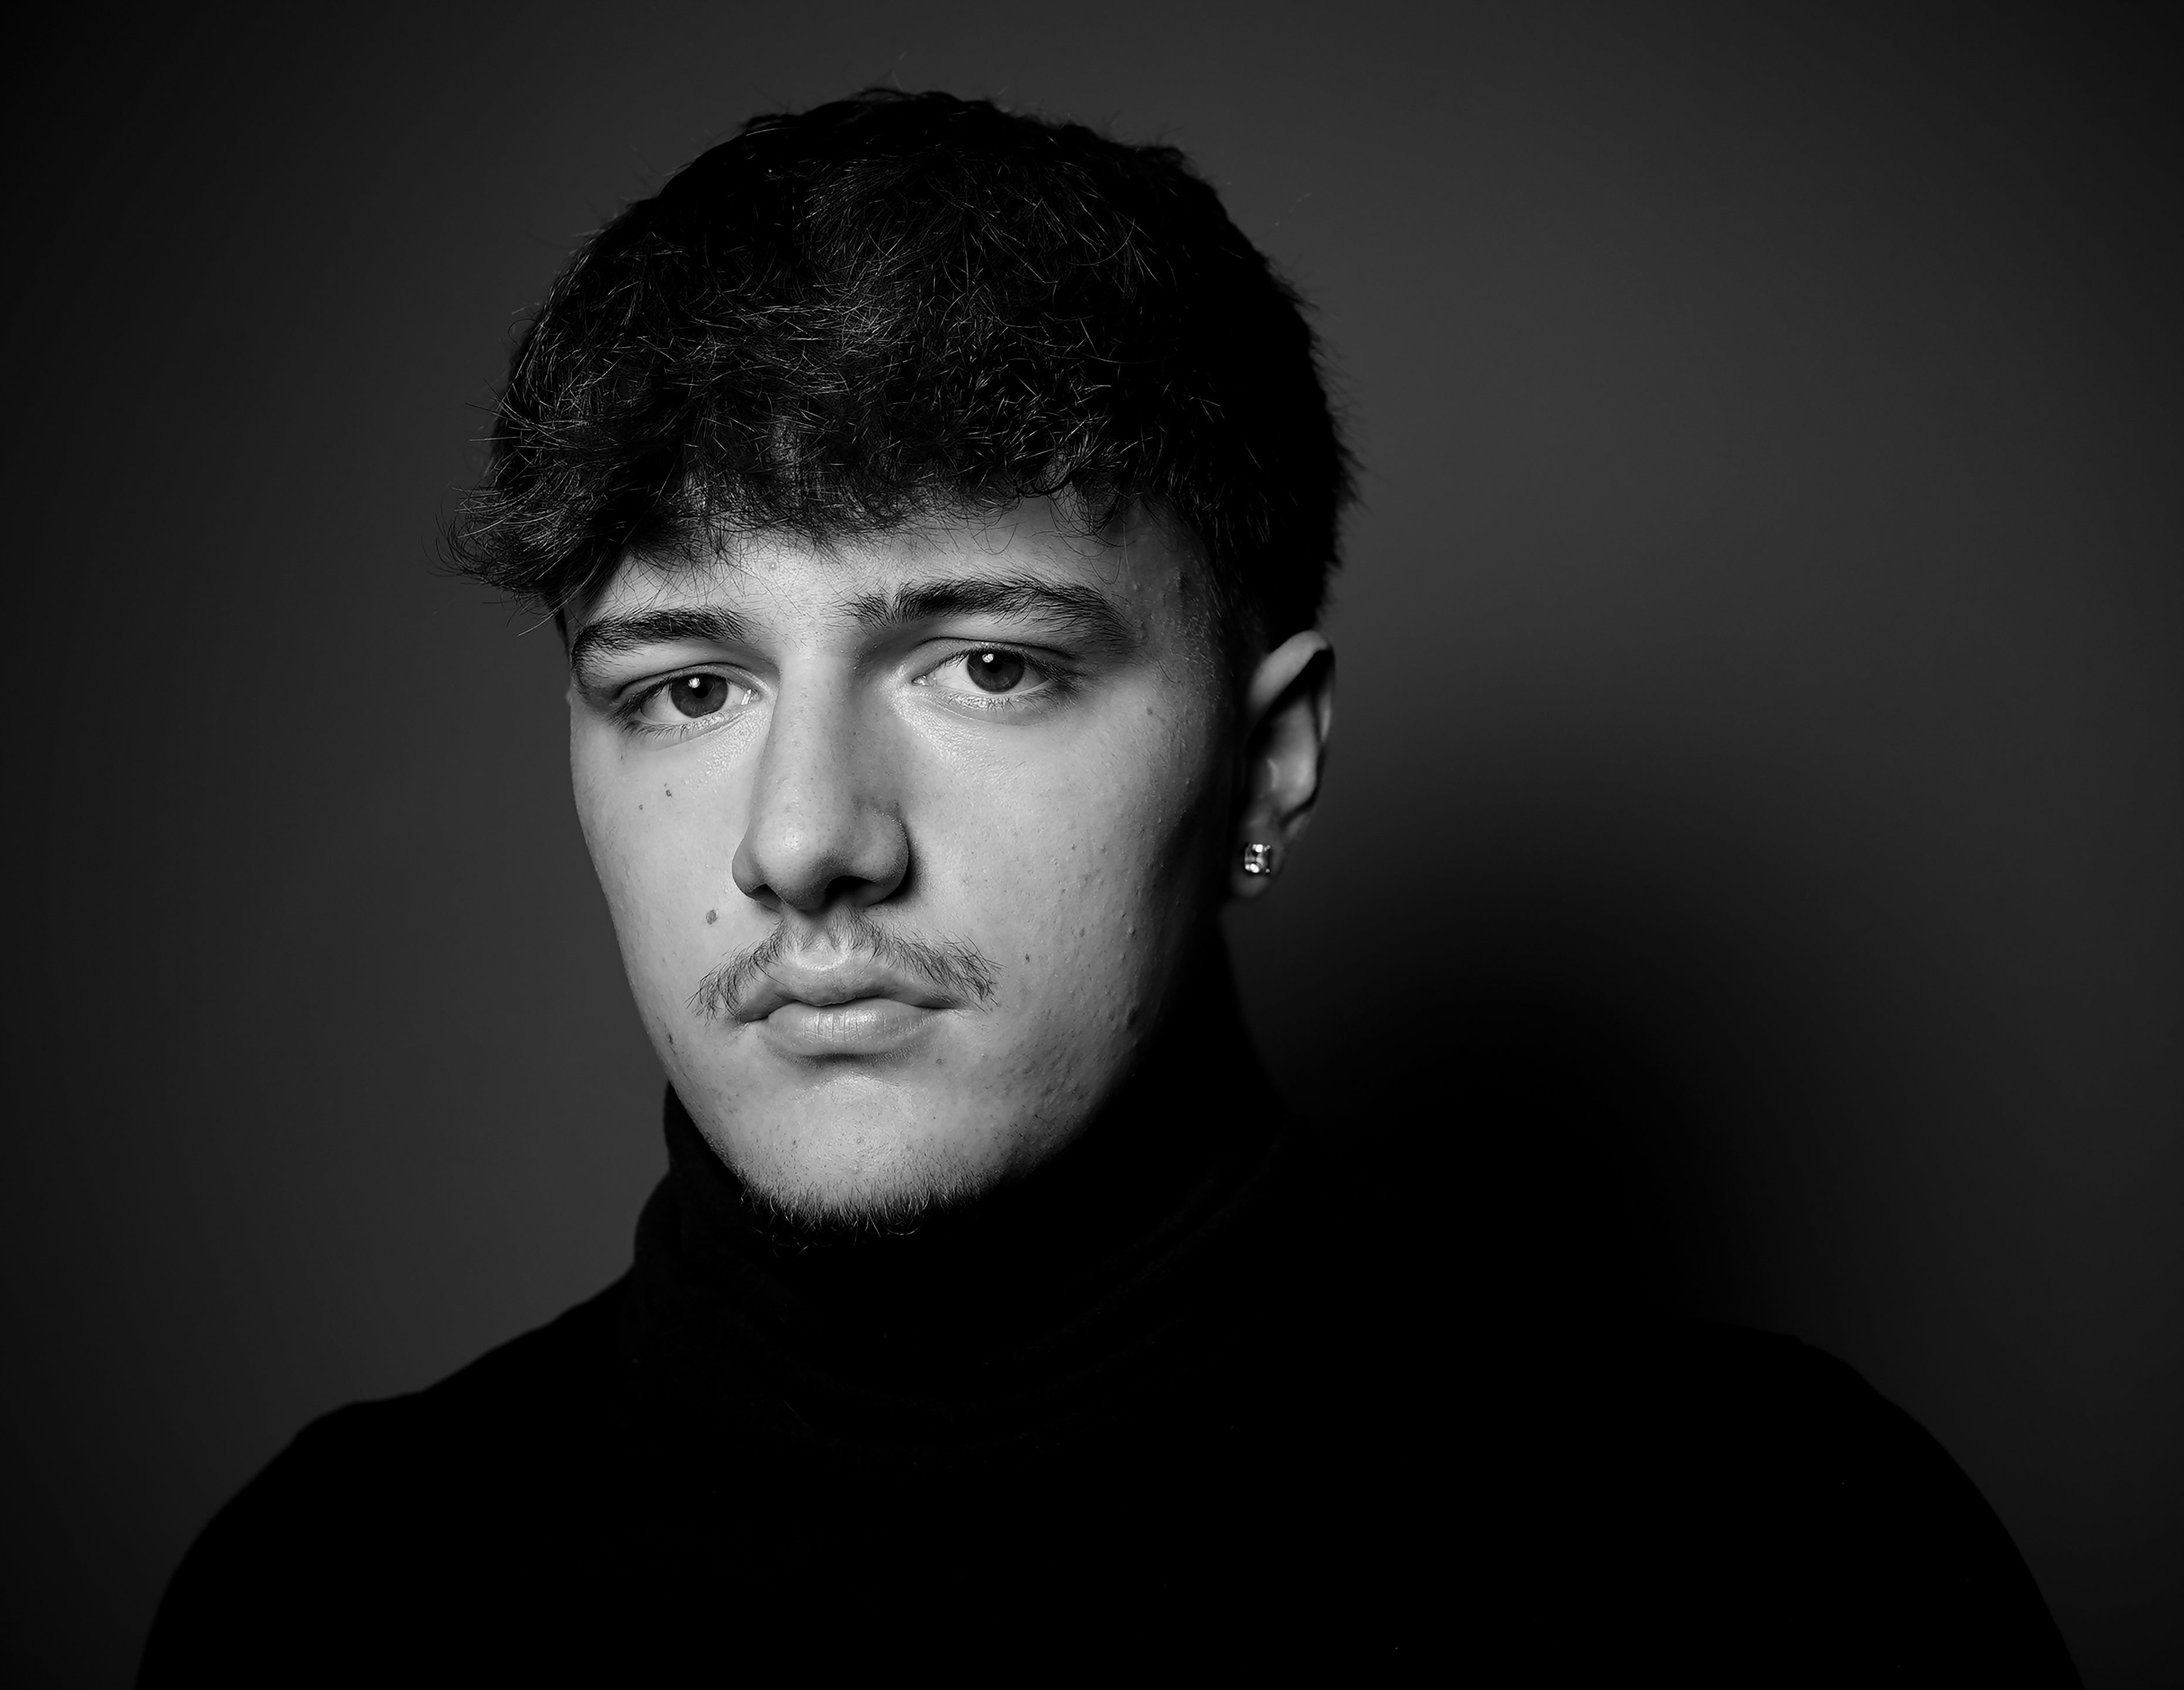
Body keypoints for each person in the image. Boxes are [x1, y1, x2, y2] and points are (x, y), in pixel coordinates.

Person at [140, 89, 2079, 1683]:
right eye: (690, 686)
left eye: (989, 663)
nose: (803, 838)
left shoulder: (1784, 1560)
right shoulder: (333, 1599)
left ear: (1270, 757)